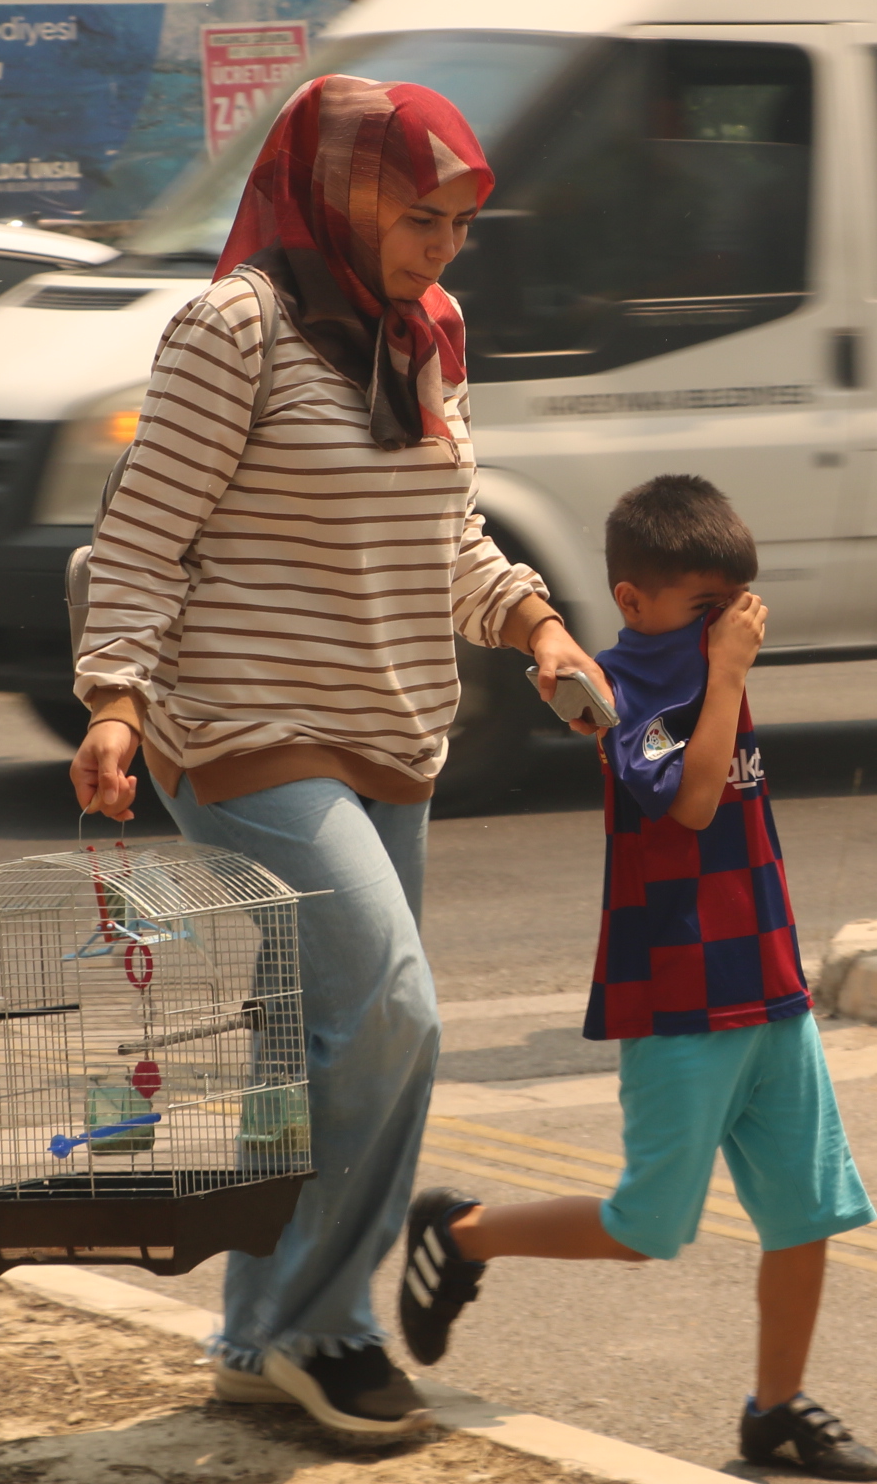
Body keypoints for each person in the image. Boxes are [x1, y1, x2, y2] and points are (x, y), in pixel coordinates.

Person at [66, 72, 613, 1443]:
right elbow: (143, 537)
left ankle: (261, 1337)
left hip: (390, 734)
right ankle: (326, 1327)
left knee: (322, 1052)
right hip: (244, 729)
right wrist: (116, 701)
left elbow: (446, 538)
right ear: (344, 194)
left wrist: (538, 628)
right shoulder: (231, 328)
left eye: (458, 225)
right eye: (418, 217)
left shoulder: (427, 333)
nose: (442, 248)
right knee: (392, 1014)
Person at [389, 474, 877, 1482]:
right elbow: (695, 804)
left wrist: (722, 667)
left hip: (770, 985)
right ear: (634, 601)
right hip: (680, 998)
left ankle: (776, 1408)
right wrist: (730, 674)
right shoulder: (620, 692)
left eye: (734, 605)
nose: (727, 625)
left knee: (810, 1210)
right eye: (706, 608)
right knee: (646, 1227)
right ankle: (463, 1233)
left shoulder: (704, 666)